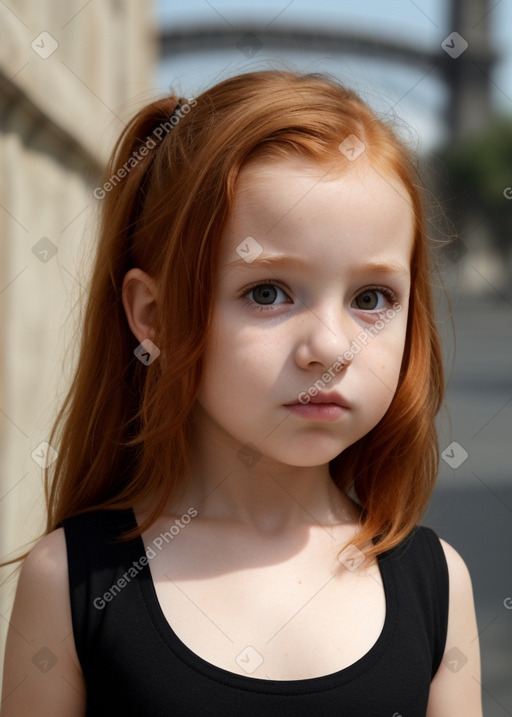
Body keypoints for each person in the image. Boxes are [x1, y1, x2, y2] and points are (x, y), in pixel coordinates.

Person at [0, 69, 482, 716]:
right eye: (268, 292)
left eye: (372, 298)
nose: (331, 347)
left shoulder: (437, 582)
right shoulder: (70, 581)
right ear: (155, 316)